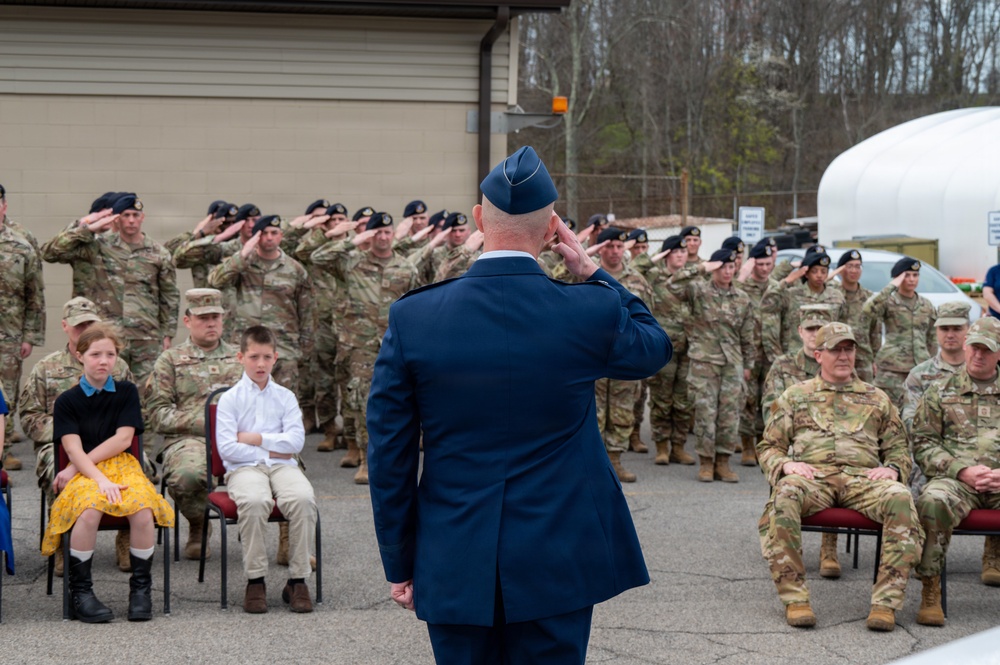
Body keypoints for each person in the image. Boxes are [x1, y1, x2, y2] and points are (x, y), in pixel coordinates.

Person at [367, 146, 670, 663]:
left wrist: (400, 560)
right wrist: (593, 271)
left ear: (481, 220)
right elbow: (654, 346)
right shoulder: (588, 310)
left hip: (454, 550)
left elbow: (389, 454)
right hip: (559, 555)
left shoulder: (415, 318)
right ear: (554, 229)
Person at [758, 322, 922, 632]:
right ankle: (796, 599)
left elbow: (899, 446)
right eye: (836, 349)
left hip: (863, 480)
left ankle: (885, 604)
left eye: (849, 349)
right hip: (813, 477)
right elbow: (769, 446)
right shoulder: (795, 396)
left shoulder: (876, 398)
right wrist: (785, 465)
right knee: (785, 493)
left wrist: (894, 468)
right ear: (818, 355)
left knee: (900, 497)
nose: (844, 355)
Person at [41, 323, 174, 623]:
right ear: (79, 356)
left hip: (123, 465)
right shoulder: (67, 401)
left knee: (141, 508)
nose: (103, 361)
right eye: (95, 354)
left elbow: (123, 440)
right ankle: (81, 593)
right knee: (89, 509)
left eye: (110, 354)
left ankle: (141, 590)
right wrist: (93, 476)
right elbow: (72, 449)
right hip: (87, 471)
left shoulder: (126, 391)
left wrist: (78, 465)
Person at [20, 297, 136, 576]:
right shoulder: (46, 368)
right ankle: (63, 539)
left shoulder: (117, 367)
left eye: (90, 324)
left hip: (111, 444)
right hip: (60, 444)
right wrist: (68, 432)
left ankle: (126, 535)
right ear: (65, 327)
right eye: (78, 325)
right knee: (55, 470)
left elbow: (131, 416)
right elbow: (29, 416)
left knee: (139, 464)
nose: (84, 330)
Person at [215, 325, 317, 614]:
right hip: (244, 468)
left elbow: (296, 442)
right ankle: (255, 580)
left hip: (283, 466)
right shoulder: (230, 399)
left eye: (266, 357)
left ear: (275, 357)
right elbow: (228, 449)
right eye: (253, 357)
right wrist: (275, 445)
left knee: (301, 498)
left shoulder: (285, 397)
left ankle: (298, 580)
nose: (260, 364)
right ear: (240, 357)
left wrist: (256, 438)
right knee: (255, 501)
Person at [310, 212, 418, 483]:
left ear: (393, 234)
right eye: (376, 233)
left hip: (393, 343)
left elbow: (414, 304)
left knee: (394, 400)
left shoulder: (406, 268)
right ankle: (363, 456)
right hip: (358, 345)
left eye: (386, 232)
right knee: (360, 400)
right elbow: (317, 257)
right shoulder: (351, 263)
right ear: (368, 236)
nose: (382, 237)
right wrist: (352, 240)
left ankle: (383, 454)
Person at [910, 317, 1000, 626]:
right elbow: (923, 442)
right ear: (965, 346)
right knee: (932, 500)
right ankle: (930, 588)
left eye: (987, 350)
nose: (978, 355)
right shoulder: (939, 390)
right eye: (974, 347)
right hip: (956, 481)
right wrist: (962, 471)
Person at [144, 288, 243, 560]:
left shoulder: (242, 358)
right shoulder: (170, 360)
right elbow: (158, 415)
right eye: (203, 318)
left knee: (287, 463)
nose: (211, 323)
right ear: (187, 321)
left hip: (241, 437)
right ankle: (199, 524)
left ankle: (288, 535)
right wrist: (209, 422)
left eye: (216, 317)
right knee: (185, 476)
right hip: (190, 439)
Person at [40, 194, 179, 385]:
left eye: (135, 215)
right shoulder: (99, 246)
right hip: (108, 335)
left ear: (142, 217)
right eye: (126, 215)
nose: (131, 220)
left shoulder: (158, 253)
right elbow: (50, 252)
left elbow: (169, 295)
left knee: (148, 392)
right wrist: (86, 228)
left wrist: (168, 334)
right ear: (116, 219)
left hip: (146, 337)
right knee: (108, 389)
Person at [759, 304, 842, 580]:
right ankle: (785, 544)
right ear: (799, 331)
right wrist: (792, 450)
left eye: (820, 329)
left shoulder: (840, 363)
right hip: (792, 443)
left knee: (838, 462)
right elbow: (770, 407)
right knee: (783, 468)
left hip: (832, 441)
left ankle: (829, 548)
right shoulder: (783, 366)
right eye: (810, 329)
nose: (814, 333)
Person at [208, 215, 314, 400]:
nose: (269, 237)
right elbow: (215, 280)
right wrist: (242, 254)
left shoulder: (295, 269)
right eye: (264, 233)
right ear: (256, 236)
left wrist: (304, 349)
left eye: (274, 233)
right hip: (247, 345)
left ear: (281, 236)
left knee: (284, 402)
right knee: (244, 401)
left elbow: (307, 311)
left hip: (283, 347)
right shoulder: (243, 264)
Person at [674, 248, 754, 483]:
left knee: (730, 416)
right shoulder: (698, 290)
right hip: (704, 363)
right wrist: (702, 267)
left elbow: (748, 335)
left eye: (731, 267)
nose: (728, 271)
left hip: (732, 364)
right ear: (714, 268)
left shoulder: (742, 298)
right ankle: (706, 463)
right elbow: (672, 284)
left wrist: (748, 364)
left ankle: (723, 462)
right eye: (723, 267)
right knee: (705, 414)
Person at [581, 227, 653, 482]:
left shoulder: (637, 280)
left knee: (623, 411)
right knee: (592, 411)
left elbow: (647, 317)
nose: (614, 252)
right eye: (609, 247)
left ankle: (614, 461)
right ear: (599, 249)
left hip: (624, 356)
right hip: (593, 355)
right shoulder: (583, 276)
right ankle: (594, 462)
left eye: (619, 247)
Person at [0, 183, 46, 471]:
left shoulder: (21, 247)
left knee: (6, 393)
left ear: (4, 206)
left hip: (9, 334)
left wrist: (30, 336)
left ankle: (2, 451)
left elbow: (35, 295)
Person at [644, 235, 696, 465]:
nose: (680, 255)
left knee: (683, 400)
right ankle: (662, 446)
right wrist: (657, 258)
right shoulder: (654, 276)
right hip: (663, 347)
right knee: (661, 399)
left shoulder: (694, 278)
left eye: (683, 252)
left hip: (689, 348)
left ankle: (679, 446)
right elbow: (636, 267)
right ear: (666, 254)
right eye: (675, 252)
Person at [864, 256, 937, 409]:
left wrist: (932, 364)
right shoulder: (889, 301)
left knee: (920, 411)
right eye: (907, 275)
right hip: (892, 369)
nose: (911, 279)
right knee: (886, 409)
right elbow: (867, 310)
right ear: (898, 277)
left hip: (920, 368)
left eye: (915, 275)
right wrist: (892, 286)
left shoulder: (926, 305)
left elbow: (932, 338)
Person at [735, 238, 778, 466]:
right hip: (749, 353)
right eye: (759, 264)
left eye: (767, 264)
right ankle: (747, 446)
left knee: (769, 399)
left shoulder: (777, 286)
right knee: (748, 400)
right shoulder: (741, 287)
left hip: (771, 353)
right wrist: (743, 274)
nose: (764, 269)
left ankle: (765, 444)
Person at [826, 249, 880, 382]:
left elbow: (875, 332)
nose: (854, 271)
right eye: (849, 266)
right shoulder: (832, 294)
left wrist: (876, 360)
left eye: (857, 266)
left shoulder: (868, 297)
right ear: (840, 269)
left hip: (863, 358)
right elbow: (820, 285)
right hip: (838, 356)